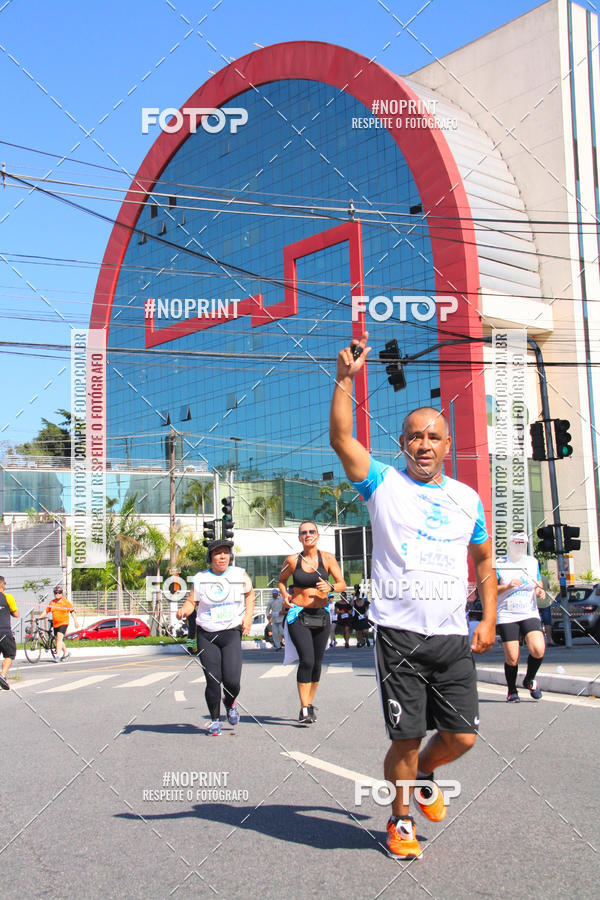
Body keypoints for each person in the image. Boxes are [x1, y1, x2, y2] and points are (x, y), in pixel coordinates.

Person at [329, 332, 496, 859]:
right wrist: (344, 380)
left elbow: (485, 561)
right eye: (414, 436)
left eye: (433, 436)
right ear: (403, 444)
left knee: (463, 738)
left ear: (447, 445)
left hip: (451, 637)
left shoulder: (467, 499)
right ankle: (400, 820)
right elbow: (340, 440)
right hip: (400, 634)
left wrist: (487, 618)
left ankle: (427, 771)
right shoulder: (382, 483)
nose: (424, 444)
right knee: (404, 737)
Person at [176, 539, 255, 736]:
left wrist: (247, 618)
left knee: (232, 681)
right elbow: (191, 601)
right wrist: (184, 610)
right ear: (210, 557)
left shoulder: (239, 574)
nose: (222, 556)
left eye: (225, 553)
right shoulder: (201, 578)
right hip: (207, 634)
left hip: (231, 633)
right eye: (217, 553)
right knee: (213, 680)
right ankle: (214, 720)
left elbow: (250, 595)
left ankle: (230, 703)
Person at [278, 521, 346, 724]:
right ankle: (304, 708)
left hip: (321, 615)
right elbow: (281, 580)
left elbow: (342, 583)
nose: (307, 535)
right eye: (303, 532)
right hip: (299, 615)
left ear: (317, 535)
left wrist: (330, 587)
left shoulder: (327, 558)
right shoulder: (292, 561)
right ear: (299, 537)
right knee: (306, 660)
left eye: (311, 531)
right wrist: (284, 595)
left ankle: (309, 703)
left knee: (317, 663)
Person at [496, 532, 547, 702]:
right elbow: (489, 590)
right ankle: (512, 690)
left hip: (529, 611)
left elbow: (537, 581)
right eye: (516, 543)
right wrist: (508, 586)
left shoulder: (532, 562)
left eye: (522, 544)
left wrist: (539, 590)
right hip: (507, 614)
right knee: (512, 657)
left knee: (538, 649)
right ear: (510, 545)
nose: (519, 547)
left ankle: (529, 679)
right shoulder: (499, 563)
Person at [42, 586, 79, 662]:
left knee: (59, 637)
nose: (57, 594)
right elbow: (46, 611)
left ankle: (57, 656)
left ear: (61, 593)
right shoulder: (52, 603)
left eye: (59, 592)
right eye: (55, 593)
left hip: (63, 623)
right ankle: (66, 652)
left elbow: (72, 611)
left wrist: (75, 621)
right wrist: (39, 617)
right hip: (55, 624)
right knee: (58, 640)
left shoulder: (65, 602)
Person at [0, 575, 19, 690]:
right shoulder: (8, 597)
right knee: (9, 654)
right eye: (5, 583)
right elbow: (16, 614)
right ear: (1, 584)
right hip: (4, 632)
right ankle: (2, 675)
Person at [537, 572, 554, 645]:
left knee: (537, 624)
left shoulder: (531, 577)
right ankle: (549, 640)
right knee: (547, 622)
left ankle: (539, 641)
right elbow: (547, 588)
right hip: (545, 603)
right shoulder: (544, 577)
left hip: (535, 603)